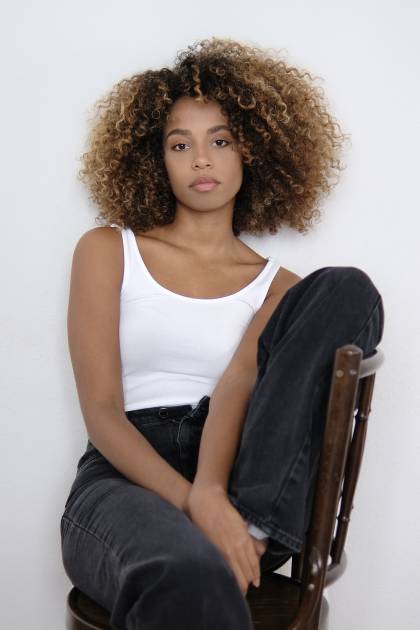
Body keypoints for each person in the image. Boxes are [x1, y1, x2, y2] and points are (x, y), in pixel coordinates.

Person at [60, 36, 384, 629]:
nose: (201, 160)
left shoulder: (281, 288)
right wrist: (195, 503)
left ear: (251, 150)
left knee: (346, 287)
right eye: (180, 144)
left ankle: (255, 527)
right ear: (155, 158)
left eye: (221, 140)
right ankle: (216, 548)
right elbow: (102, 413)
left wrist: (216, 494)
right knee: (187, 570)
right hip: (126, 480)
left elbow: (238, 386)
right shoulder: (108, 250)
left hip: (242, 476)